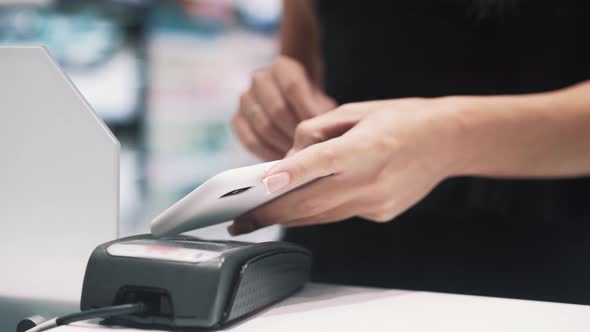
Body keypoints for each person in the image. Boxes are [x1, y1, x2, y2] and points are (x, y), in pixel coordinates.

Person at [230, 0, 590, 304]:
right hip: (331, 272)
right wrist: (277, 104)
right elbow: (307, 58)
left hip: (544, 273)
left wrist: (451, 138)